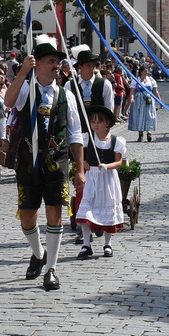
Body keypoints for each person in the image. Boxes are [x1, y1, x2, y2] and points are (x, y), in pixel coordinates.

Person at [2, 37, 85, 291]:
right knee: (27, 216)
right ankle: (38, 254)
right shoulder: (27, 89)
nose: (57, 65)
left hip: (56, 161)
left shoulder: (66, 95)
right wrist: (23, 72)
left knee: (55, 213)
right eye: (51, 61)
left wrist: (79, 168)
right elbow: (8, 101)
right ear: (38, 64)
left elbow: (75, 134)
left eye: (58, 62)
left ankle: (51, 269)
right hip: (28, 161)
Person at [75, 105, 126, 259]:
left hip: (108, 178)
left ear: (107, 123)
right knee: (85, 211)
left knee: (107, 209)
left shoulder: (116, 141)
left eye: (99, 122)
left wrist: (107, 166)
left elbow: (119, 162)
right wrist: (83, 162)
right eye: (93, 122)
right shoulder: (87, 138)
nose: (95, 125)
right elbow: (78, 153)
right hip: (91, 177)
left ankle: (107, 244)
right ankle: (86, 245)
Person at [72, 47, 116, 112]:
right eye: (88, 65)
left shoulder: (105, 84)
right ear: (80, 67)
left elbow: (109, 109)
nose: (92, 68)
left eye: (93, 65)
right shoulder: (70, 85)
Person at [129, 68, 158, 142]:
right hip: (139, 100)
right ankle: (140, 134)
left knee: (149, 115)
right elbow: (132, 91)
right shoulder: (136, 80)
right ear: (141, 72)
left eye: (147, 71)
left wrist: (159, 100)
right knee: (140, 116)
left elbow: (155, 91)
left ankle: (149, 133)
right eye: (145, 71)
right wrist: (132, 98)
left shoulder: (151, 80)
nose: (146, 72)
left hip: (149, 100)